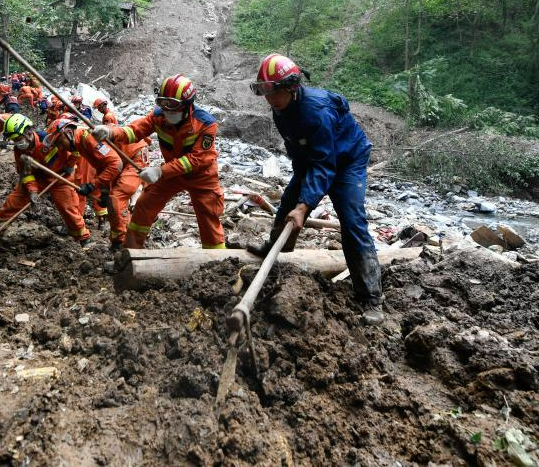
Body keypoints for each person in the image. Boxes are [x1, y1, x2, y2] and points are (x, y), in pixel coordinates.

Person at [246, 53, 384, 326]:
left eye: (272, 91)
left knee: (352, 220)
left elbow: (325, 166)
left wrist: (304, 206)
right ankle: (275, 246)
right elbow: (300, 151)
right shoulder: (280, 108)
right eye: (264, 91)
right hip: (315, 159)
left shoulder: (317, 112)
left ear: (291, 88)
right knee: (287, 202)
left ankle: (371, 298)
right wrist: (296, 200)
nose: (268, 98)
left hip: (346, 161)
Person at [93, 74, 225, 250]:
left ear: (187, 104)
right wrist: (111, 133)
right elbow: (134, 131)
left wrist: (160, 171)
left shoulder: (206, 124)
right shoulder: (158, 116)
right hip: (172, 173)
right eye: (163, 103)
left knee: (208, 215)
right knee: (144, 204)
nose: (167, 110)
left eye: (172, 105)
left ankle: (216, 262)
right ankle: (130, 253)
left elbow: (196, 160)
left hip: (201, 177)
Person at [0, 114, 93, 246]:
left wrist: (70, 165)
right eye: (14, 140)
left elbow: (75, 148)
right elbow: (25, 173)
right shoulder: (19, 150)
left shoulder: (49, 139)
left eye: (18, 138)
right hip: (37, 178)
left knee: (68, 208)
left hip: (60, 177)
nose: (17, 143)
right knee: (13, 203)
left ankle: (84, 239)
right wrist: (32, 190)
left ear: (28, 132)